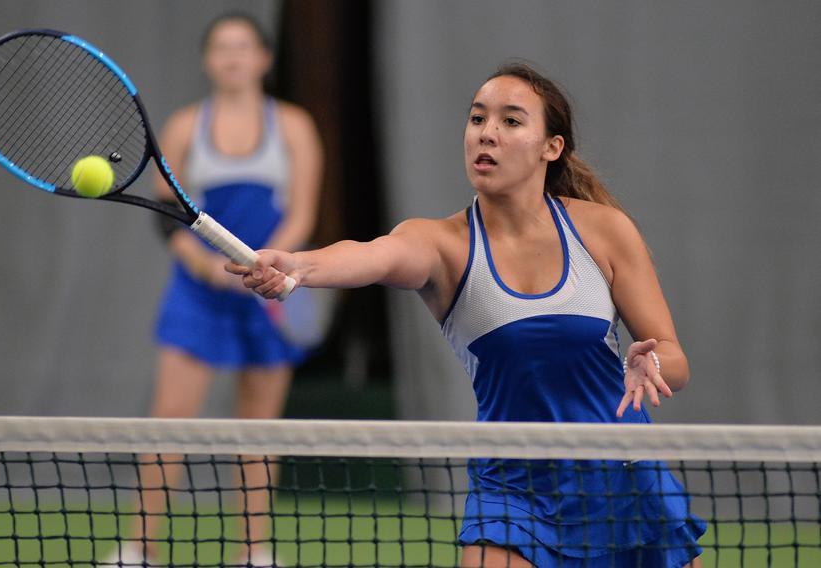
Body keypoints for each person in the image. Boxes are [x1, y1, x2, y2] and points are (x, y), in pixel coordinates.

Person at [228, 62, 706, 567]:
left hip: (624, 479)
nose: (488, 134)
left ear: (552, 147)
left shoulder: (605, 231)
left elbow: (674, 358)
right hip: (514, 489)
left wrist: (649, 365)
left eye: (511, 121)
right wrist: (301, 264)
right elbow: (372, 255)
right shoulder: (441, 245)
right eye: (478, 119)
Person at [102, 12, 323, 567]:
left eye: (243, 47)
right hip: (196, 292)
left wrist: (263, 268)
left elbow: (302, 215)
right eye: (221, 48)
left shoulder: (294, 126)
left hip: (267, 290)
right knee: (168, 422)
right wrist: (201, 265)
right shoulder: (182, 126)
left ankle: (254, 554)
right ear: (207, 60)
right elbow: (165, 215)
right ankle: (138, 551)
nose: (231, 57)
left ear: (263, 59)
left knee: (258, 431)